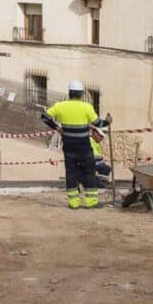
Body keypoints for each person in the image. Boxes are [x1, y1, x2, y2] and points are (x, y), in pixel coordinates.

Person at [42, 81, 110, 209]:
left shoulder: (60, 106)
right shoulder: (87, 107)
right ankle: (91, 202)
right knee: (89, 172)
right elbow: (98, 123)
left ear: (69, 93)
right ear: (81, 94)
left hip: (68, 146)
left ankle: (74, 202)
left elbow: (45, 117)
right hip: (84, 146)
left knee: (71, 173)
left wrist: (57, 127)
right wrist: (107, 121)